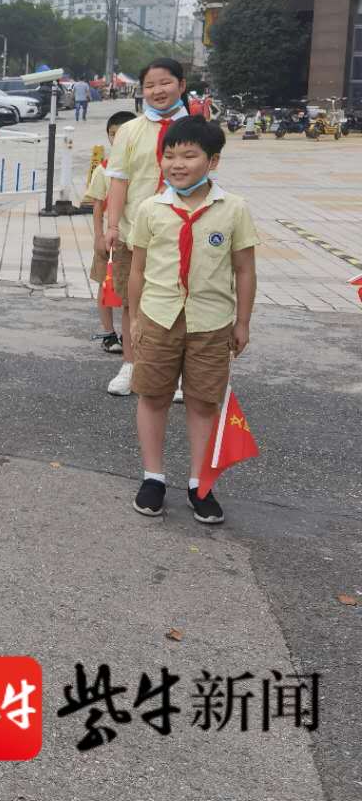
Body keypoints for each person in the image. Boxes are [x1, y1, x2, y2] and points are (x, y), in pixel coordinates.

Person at [126, 116, 258, 524]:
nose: (177, 164)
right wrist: (133, 319)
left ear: (213, 161)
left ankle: (201, 483)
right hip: (159, 316)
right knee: (153, 395)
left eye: (189, 155)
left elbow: (245, 270)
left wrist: (242, 322)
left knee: (203, 401)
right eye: (169, 155)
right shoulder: (151, 208)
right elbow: (137, 268)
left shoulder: (233, 209)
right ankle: (153, 478)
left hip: (211, 321)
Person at [102, 58, 192, 398]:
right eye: (150, 85)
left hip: (184, 231)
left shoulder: (197, 125)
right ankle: (131, 364)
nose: (157, 90)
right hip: (135, 231)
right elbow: (120, 181)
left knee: (183, 299)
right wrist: (112, 225)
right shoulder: (130, 130)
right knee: (131, 301)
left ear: (181, 85)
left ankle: (181, 372)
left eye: (165, 83)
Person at [83, 110, 137, 354]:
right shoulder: (103, 169)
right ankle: (108, 332)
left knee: (131, 289)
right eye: (113, 134)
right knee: (106, 285)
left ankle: (130, 335)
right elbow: (97, 205)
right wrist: (98, 236)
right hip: (110, 238)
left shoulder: (141, 166)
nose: (118, 139)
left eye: (123, 133)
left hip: (134, 238)